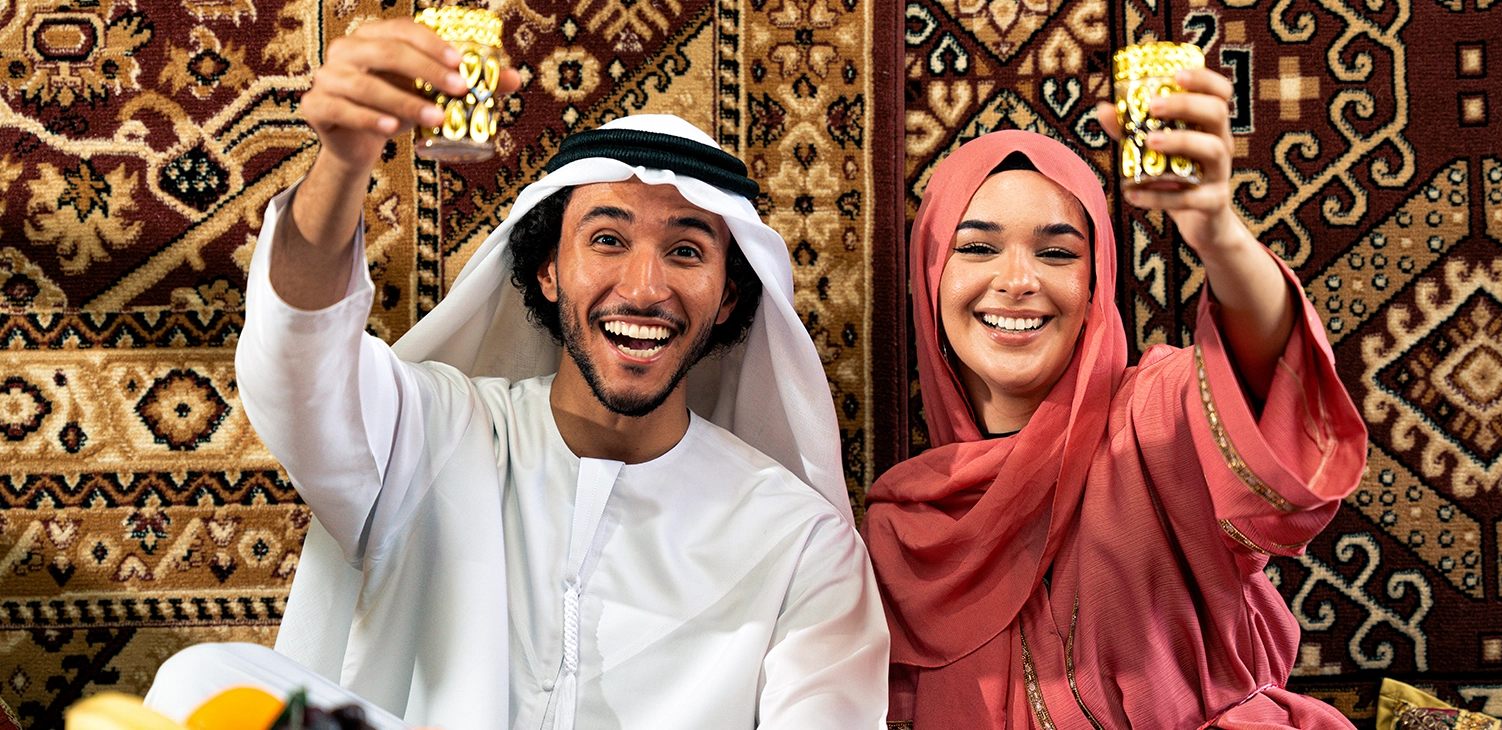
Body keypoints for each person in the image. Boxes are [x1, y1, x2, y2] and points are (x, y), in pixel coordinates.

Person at [230, 18, 888, 730]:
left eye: (687, 252)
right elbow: (298, 365)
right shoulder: (429, 434)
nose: (643, 288)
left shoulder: (801, 545)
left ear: (729, 295)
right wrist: (344, 163)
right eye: (607, 240)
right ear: (548, 270)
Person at [861, 67, 1368, 728]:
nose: (1016, 281)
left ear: (1096, 287)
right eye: (978, 248)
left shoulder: (1151, 425)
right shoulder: (899, 535)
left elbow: (1263, 382)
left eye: (1057, 253)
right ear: (930, 281)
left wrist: (1217, 233)